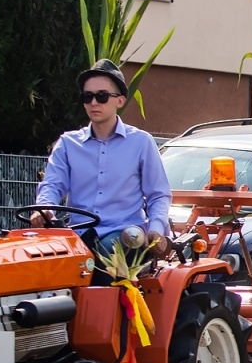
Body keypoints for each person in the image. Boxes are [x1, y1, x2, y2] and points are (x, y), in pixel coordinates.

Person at [32, 59, 172, 257]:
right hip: (77, 236)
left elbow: (158, 194)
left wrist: (156, 229)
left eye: (102, 96)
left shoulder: (141, 142)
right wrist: (44, 209)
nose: (94, 103)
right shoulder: (68, 143)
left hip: (126, 237)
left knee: (107, 251)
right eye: (87, 97)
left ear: (120, 100)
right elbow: (52, 184)